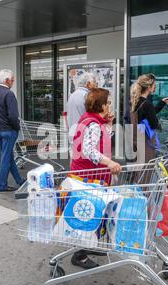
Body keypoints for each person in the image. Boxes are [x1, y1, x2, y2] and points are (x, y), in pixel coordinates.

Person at [70, 88, 122, 270]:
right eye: (108, 102)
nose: (110, 105)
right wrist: (109, 162)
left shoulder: (92, 120)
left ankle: (88, 245)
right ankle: (80, 255)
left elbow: (102, 141)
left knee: (94, 213)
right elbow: (89, 150)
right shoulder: (92, 123)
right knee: (91, 213)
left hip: (89, 175)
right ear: (101, 104)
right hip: (88, 176)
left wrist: (109, 124)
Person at [0, 69, 25, 192]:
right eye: (12, 80)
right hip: (9, 130)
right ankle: (2, 185)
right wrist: (17, 127)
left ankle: (19, 180)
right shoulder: (9, 94)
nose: (13, 82)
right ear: (6, 80)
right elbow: (13, 115)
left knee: (7, 156)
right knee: (5, 158)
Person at [130, 74, 168, 164]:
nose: (155, 87)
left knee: (138, 166)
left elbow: (147, 114)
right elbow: (154, 124)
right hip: (146, 141)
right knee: (146, 168)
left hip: (136, 138)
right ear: (148, 87)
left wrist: (162, 103)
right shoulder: (147, 104)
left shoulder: (135, 101)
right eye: (154, 85)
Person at [66, 72, 98, 143]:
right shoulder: (87, 96)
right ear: (88, 84)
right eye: (95, 82)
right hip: (84, 137)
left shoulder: (73, 95)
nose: (96, 85)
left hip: (73, 135)